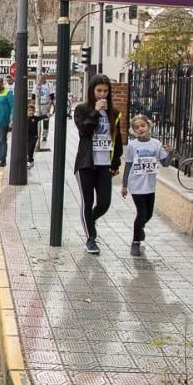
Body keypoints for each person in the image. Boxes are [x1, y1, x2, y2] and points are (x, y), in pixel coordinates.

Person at [74, 74, 123, 255]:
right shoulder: (81, 110)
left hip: (104, 164)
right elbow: (84, 132)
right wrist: (95, 111)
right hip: (86, 163)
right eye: (98, 91)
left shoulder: (114, 113)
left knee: (104, 203)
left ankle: (90, 222)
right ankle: (91, 238)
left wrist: (116, 161)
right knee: (87, 201)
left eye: (105, 91)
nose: (102, 94)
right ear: (92, 91)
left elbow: (117, 139)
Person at [120, 115, 173, 256]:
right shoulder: (133, 146)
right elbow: (128, 165)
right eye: (137, 127)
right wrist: (124, 185)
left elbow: (165, 163)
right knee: (141, 213)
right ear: (134, 131)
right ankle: (135, 242)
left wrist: (171, 152)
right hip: (136, 185)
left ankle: (140, 228)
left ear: (149, 126)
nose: (140, 129)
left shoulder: (156, 144)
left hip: (150, 186)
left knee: (148, 214)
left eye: (142, 126)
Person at [25, 103, 48, 168]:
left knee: (30, 148)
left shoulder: (35, 118)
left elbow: (41, 117)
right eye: (29, 110)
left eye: (32, 111)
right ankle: (31, 160)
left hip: (34, 137)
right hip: (27, 137)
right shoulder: (25, 118)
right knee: (29, 149)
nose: (31, 112)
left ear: (34, 111)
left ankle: (29, 161)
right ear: (27, 111)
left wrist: (47, 115)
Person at [36, 75, 55, 141]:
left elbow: (52, 96)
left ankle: (44, 135)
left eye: (43, 78)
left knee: (46, 120)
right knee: (37, 120)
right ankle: (37, 134)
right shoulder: (37, 85)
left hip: (46, 104)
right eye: (40, 78)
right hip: (38, 104)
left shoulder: (49, 85)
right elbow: (33, 96)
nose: (42, 79)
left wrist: (49, 105)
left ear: (45, 78)